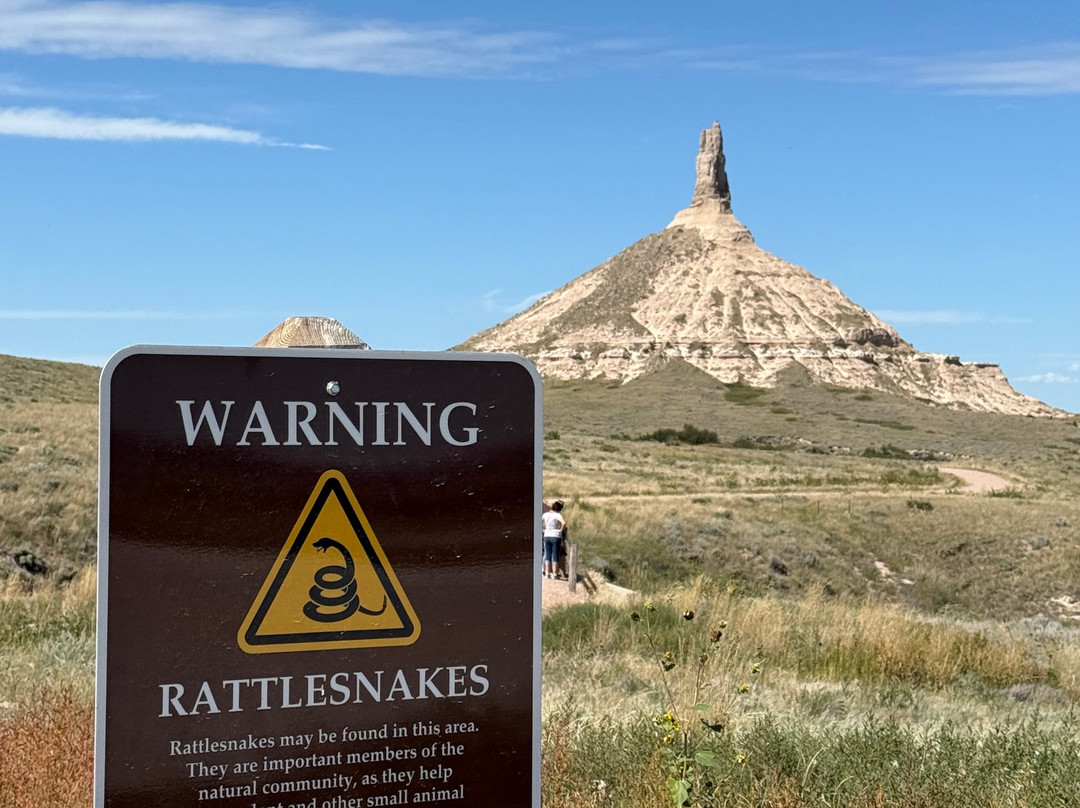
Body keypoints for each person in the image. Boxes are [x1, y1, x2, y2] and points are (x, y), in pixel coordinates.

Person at [541, 500, 565, 580]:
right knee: (555, 554)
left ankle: (547, 573)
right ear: (559, 509)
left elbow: (541, 522)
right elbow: (563, 523)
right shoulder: (558, 515)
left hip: (547, 535)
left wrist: (543, 529)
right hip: (555, 535)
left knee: (547, 554)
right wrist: (560, 530)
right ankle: (555, 574)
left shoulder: (545, 514)